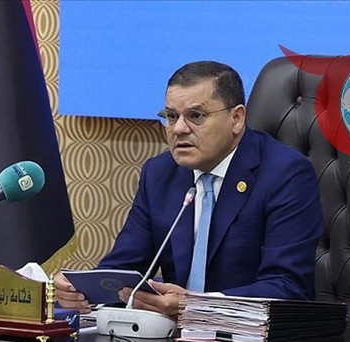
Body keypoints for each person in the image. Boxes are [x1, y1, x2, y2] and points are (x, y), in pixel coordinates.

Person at [55, 61, 323, 318]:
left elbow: (287, 287)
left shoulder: (285, 174)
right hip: (171, 337)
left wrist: (197, 306)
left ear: (236, 118)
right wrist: (81, 290)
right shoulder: (160, 174)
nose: (179, 129)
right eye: (171, 117)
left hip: (248, 341)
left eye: (196, 116)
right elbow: (123, 269)